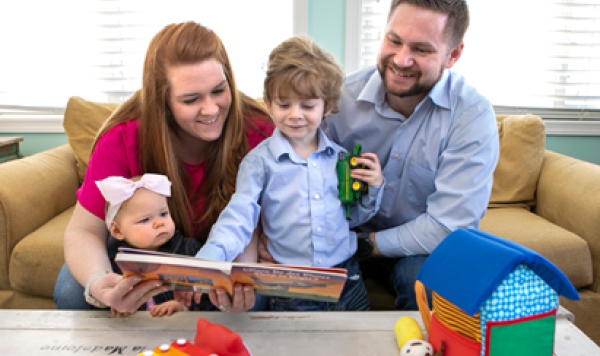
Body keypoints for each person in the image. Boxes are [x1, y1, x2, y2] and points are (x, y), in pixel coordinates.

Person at [54, 21, 274, 314]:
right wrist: (98, 285)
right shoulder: (122, 138)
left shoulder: (260, 131)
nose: (211, 109)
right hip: (148, 253)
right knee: (72, 291)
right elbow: (83, 231)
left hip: (227, 255)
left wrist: (255, 260)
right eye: (191, 99)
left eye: (219, 90)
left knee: (250, 302)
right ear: (162, 101)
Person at [322, 0, 500, 309]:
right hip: (340, 235)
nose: (401, 60)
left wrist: (362, 246)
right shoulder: (340, 99)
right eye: (394, 40)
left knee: (431, 285)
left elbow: (448, 226)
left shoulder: (470, 116)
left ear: (453, 54)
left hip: (416, 249)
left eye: (421, 49)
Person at [195, 36, 385, 311]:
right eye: (284, 105)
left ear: (327, 107)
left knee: (360, 346)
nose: (295, 115)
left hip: (347, 278)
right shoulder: (259, 162)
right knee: (299, 350)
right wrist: (213, 256)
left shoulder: (342, 159)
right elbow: (240, 214)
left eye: (307, 106)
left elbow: (354, 217)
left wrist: (374, 188)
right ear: (269, 104)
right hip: (291, 284)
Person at [96, 174, 199, 317]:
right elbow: (109, 296)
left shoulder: (188, 250)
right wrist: (116, 307)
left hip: (177, 328)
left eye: (163, 214)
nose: (159, 223)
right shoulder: (115, 260)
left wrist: (182, 306)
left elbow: (207, 294)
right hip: (136, 331)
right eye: (145, 220)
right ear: (118, 231)